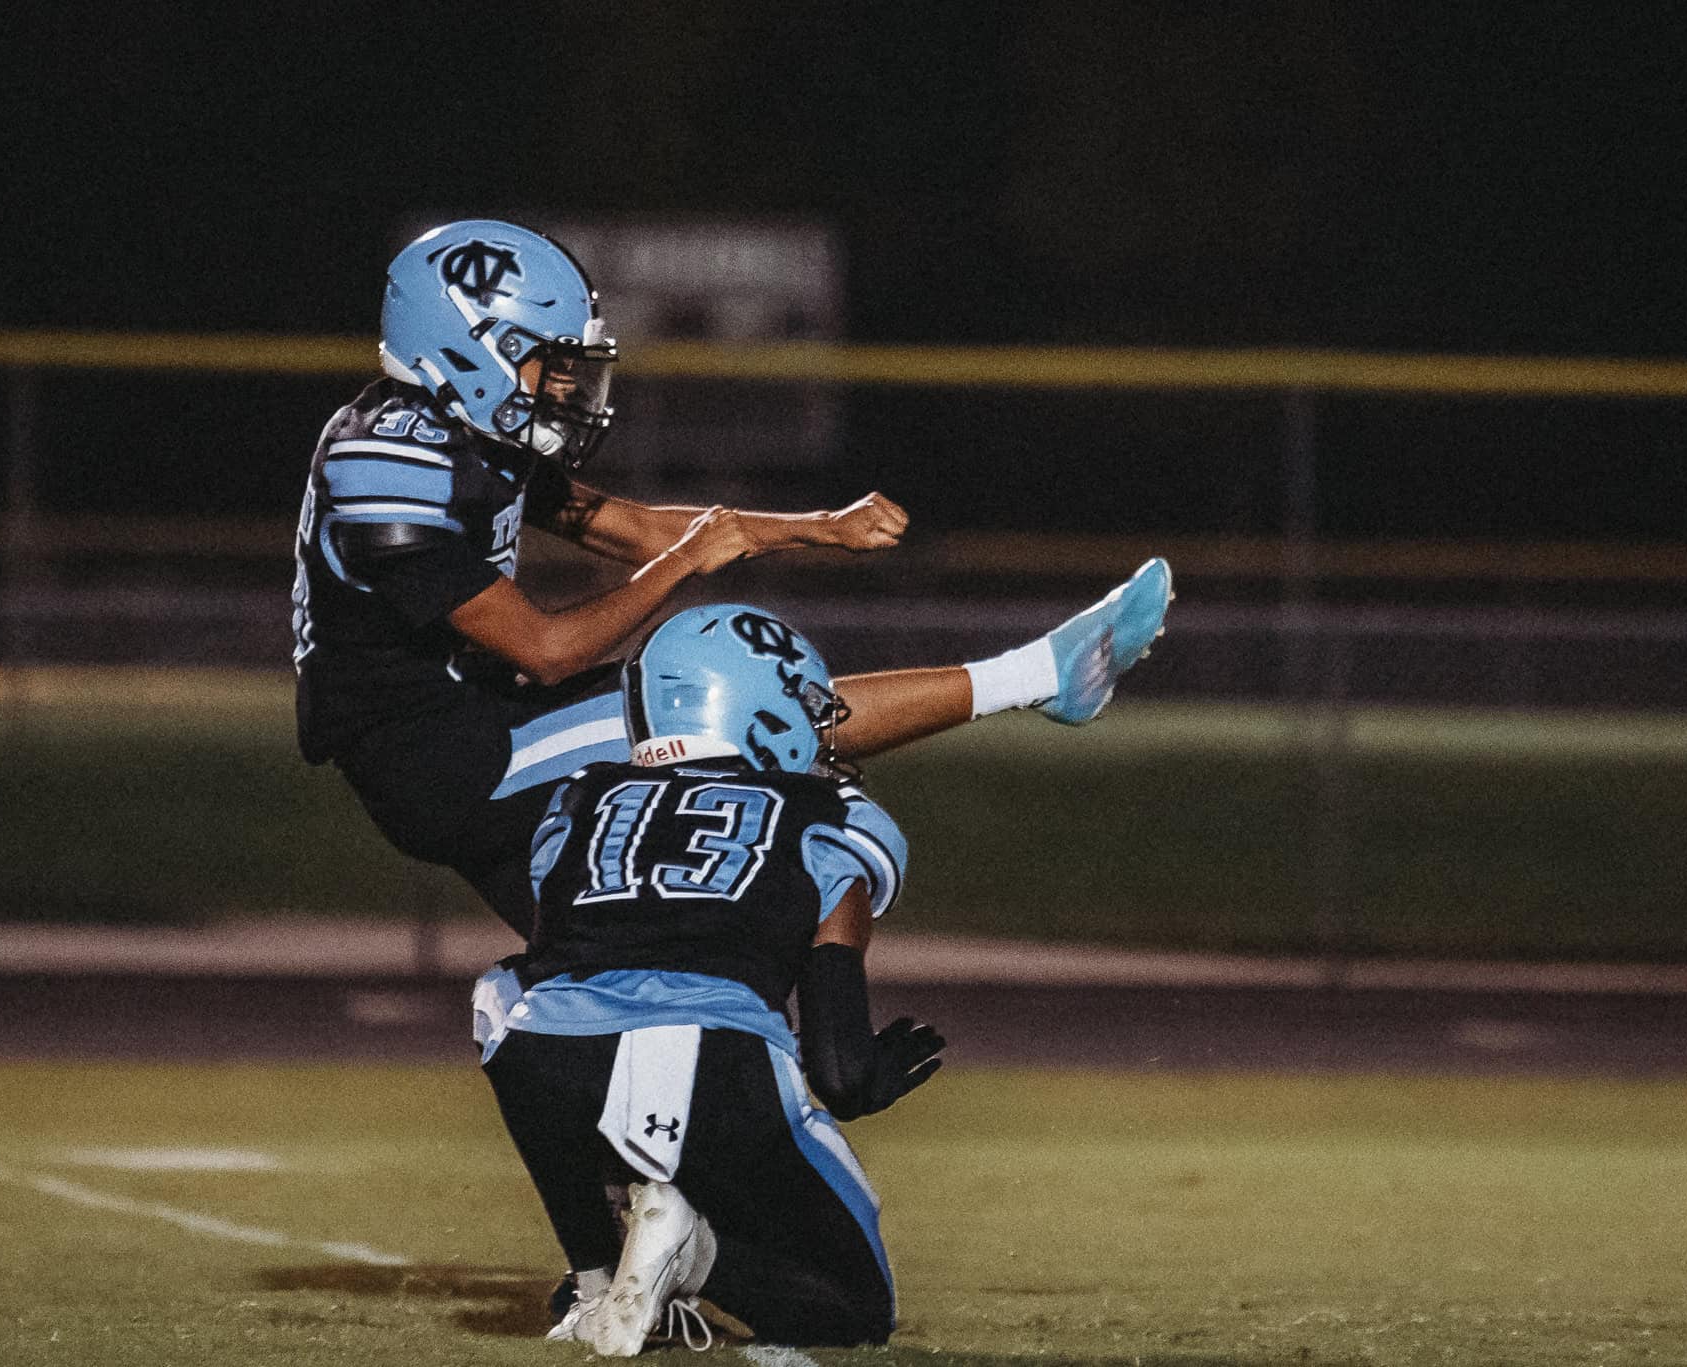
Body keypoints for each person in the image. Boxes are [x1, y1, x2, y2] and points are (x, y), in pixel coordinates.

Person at [292, 218, 1172, 936]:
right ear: (470, 349)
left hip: (481, 725)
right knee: (738, 693)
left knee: (611, 971)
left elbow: (627, 525)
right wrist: (691, 562)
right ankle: (1040, 676)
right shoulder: (384, 470)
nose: (564, 387)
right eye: (546, 363)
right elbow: (550, 649)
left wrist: (805, 529)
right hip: (446, 759)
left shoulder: (460, 433)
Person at [482, 602, 939, 1352]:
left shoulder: (575, 801)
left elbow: (562, 948)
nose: (822, 729)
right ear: (755, 703)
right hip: (717, 1066)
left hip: (553, 1061)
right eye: (807, 706)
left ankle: (595, 1275)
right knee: (853, 1310)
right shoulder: (829, 817)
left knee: (498, 997)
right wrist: (873, 1073)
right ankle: (692, 1253)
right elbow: (840, 1069)